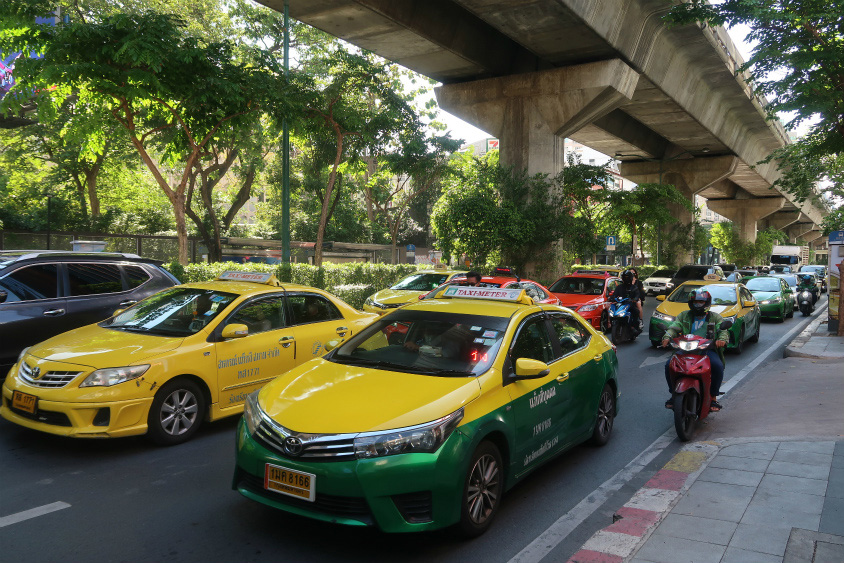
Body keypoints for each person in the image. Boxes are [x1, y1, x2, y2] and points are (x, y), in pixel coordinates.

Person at [661, 289, 729, 411]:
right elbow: (674, 327)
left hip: (706, 350)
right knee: (669, 365)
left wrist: (722, 339)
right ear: (691, 303)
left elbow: (722, 330)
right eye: (696, 302)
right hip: (685, 349)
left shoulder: (715, 317)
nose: (698, 305)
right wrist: (667, 336)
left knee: (717, 366)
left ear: (707, 303)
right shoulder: (684, 315)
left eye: (701, 302)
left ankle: (713, 398)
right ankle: (673, 394)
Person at [609, 269, 641, 334]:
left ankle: (633, 327)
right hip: (620, 305)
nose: (626, 279)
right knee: (611, 311)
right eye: (624, 277)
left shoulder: (634, 288)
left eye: (627, 277)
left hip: (630, 305)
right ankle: (611, 324)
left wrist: (634, 299)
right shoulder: (619, 287)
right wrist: (612, 298)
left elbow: (637, 296)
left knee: (636, 311)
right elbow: (614, 295)